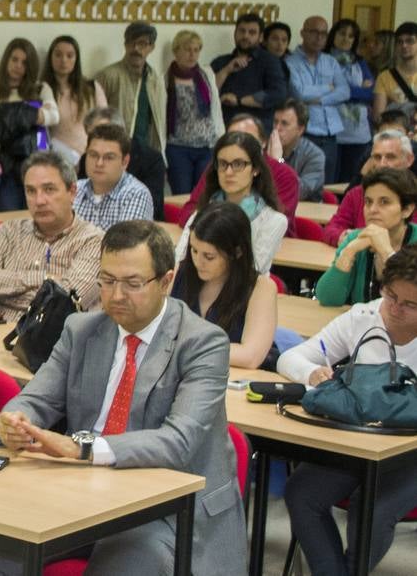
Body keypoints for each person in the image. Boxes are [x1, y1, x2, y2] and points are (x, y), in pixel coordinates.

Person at [0, 220, 247, 576]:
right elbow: (35, 399)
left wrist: (82, 450)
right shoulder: (82, 329)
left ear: (167, 281)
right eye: (106, 281)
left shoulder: (202, 342)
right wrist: (15, 420)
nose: (116, 295)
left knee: (124, 566)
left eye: (132, 283)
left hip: (166, 508)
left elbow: (179, 442)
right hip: (80, 496)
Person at [280, 245, 417, 576]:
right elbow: (291, 357)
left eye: (410, 304)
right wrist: (310, 373)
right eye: (390, 295)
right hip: (360, 442)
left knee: (373, 509)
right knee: (302, 492)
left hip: (410, 453)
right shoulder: (364, 318)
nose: (395, 309)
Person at [0, 151, 104, 322]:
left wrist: (0, 293)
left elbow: (65, 303)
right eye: (31, 191)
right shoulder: (10, 230)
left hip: (52, 343)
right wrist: (43, 279)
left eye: (49, 189)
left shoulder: (94, 241)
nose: (39, 200)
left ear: (72, 192)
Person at [172, 202, 279, 369]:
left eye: (209, 256)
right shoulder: (178, 274)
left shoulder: (261, 288)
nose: (198, 261)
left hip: (238, 381)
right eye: (194, 250)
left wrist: (182, 348)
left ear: (237, 252)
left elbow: (250, 356)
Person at [173, 132, 288, 275]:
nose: (228, 172)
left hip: (246, 295)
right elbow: (179, 259)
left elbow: (252, 271)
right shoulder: (202, 212)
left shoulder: (274, 221)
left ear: (256, 169)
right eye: (223, 164)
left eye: (238, 164)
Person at [316, 168, 417, 307]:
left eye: (384, 202)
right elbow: (327, 299)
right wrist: (348, 253)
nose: (372, 209)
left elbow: (409, 301)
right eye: (368, 202)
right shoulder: (356, 238)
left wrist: (387, 253)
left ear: (407, 210)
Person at [0, 37, 59, 211]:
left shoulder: (40, 88)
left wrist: (8, 115)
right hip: (5, 164)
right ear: (6, 59)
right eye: (14, 59)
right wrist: (29, 114)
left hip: (37, 158)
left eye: (24, 62)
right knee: (10, 213)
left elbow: (53, 116)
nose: (18, 66)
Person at [179, 113, 301, 220]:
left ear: (263, 142)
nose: (237, 146)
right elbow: (189, 212)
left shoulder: (284, 173)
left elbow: (278, 224)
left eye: (248, 140)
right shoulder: (218, 166)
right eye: (232, 139)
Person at [320, 129, 417, 246]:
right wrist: (346, 237)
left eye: (390, 157)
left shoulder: (413, 194)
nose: (382, 164)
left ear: (409, 160)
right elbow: (331, 228)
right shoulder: (357, 193)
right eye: (377, 157)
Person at [287, 15, 351, 185]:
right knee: (303, 185)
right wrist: (328, 88)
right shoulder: (290, 62)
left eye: (323, 33)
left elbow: (344, 91)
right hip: (306, 133)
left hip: (330, 135)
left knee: (328, 186)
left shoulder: (331, 62)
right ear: (302, 33)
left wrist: (319, 100)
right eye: (314, 32)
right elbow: (299, 93)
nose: (319, 37)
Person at [164, 29, 224, 194]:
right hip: (178, 147)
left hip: (206, 146)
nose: (192, 54)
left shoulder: (206, 75)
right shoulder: (165, 78)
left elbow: (216, 108)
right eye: (187, 49)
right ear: (176, 51)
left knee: (204, 194)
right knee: (181, 194)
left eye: (196, 50)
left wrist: (220, 137)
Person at [80, 106, 167, 221]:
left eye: (106, 134)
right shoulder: (77, 188)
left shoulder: (151, 160)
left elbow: (153, 206)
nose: (99, 163)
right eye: (93, 135)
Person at [94, 21, 167, 154]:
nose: (136, 49)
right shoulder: (108, 76)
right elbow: (96, 116)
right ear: (125, 44)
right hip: (116, 149)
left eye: (142, 44)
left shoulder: (155, 79)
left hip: (146, 150)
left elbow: (158, 122)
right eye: (131, 42)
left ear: (151, 47)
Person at [210, 11, 287, 132]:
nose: (245, 36)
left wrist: (240, 100)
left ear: (261, 37)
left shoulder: (270, 61)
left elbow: (278, 94)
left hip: (256, 130)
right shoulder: (220, 62)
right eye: (242, 31)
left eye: (252, 32)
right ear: (235, 33)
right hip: (224, 129)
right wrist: (227, 70)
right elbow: (206, 94)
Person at [41, 34, 107, 167]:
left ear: (76, 59)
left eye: (69, 56)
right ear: (50, 58)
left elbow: (105, 123)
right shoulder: (42, 90)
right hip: (56, 159)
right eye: (58, 55)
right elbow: (39, 134)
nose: (63, 60)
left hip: (90, 157)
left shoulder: (91, 88)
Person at [73, 123, 154, 230]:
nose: (99, 163)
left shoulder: (136, 194)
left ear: (125, 162)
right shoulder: (75, 189)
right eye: (93, 155)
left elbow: (126, 245)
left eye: (109, 157)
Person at [330, 17, 375, 183]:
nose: (346, 39)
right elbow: (326, 93)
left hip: (358, 133)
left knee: (352, 180)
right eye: (342, 34)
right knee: (331, 181)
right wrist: (358, 89)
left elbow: (370, 93)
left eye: (351, 36)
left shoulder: (360, 62)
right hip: (333, 129)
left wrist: (342, 89)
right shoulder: (325, 59)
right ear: (333, 35)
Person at [274, 98, 326, 202]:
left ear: (300, 129)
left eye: (284, 124)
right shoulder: (265, 148)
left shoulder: (315, 155)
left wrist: (278, 161)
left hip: (307, 212)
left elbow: (299, 192)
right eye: (275, 122)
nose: (277, 128)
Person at [372, 20, 417, 121]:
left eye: (410, 41)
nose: (404, 45)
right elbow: (378, 117)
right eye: (400, 42)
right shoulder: (384, 77)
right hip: (396, 133)